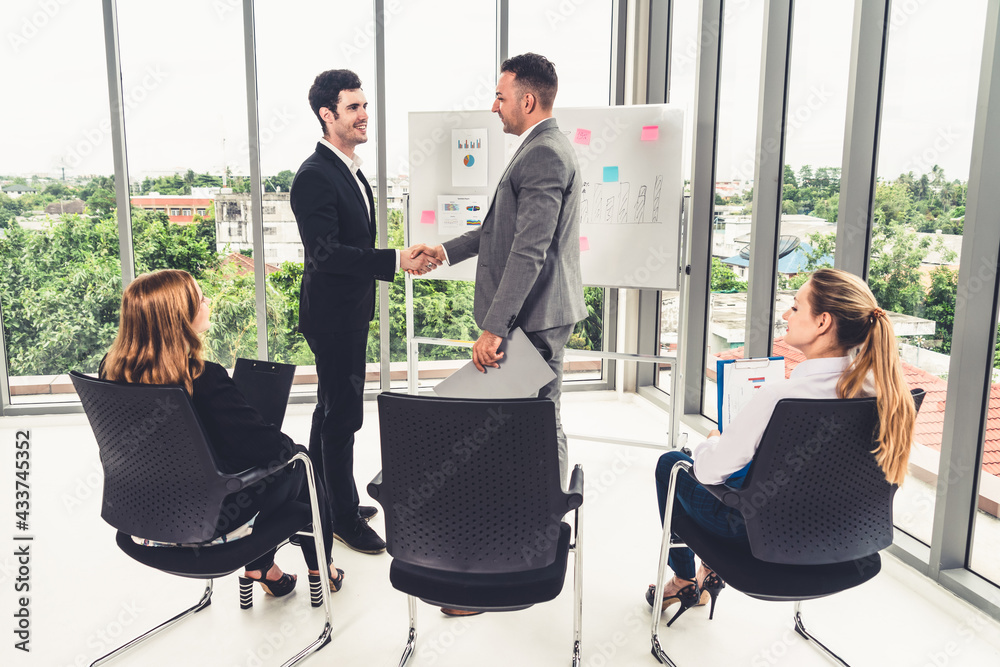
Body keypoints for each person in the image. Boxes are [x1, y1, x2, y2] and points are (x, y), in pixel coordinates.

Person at [649, 268, 917, 624]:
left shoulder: (781, 397)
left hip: (760, 535)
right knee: (749, 468)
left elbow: (709, 472)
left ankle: (684, 580)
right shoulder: (890, 395)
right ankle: (708, 574)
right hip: (840, 534)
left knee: (674, 462)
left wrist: (712, 443)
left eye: (795, 306)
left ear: (822, 322)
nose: (785, 315)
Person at [101, 269, 344, 602]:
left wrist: (232, 418)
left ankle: (265, 570)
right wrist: (252, 424)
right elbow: (273, 450)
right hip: (206, 525)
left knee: (285, 466)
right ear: (180, 318)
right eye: (200, 298)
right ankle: (322, 566)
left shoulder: (111, 372)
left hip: (142, 519)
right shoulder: (203, 378)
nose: (208, 301)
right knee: (301, 462)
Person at [413, 53, 586, 481]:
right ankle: (529, 511)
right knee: (528, 418)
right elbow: (500, 232)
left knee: (542, 418)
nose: (494, 106)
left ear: (527, 101)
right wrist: (443, 251)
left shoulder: (544, 153)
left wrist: (495, 329)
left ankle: (547, 519)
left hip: (535, 316)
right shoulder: (539, 147)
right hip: (534, 313)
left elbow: (530, 250)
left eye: (499, 96)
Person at [291, 69, 436, 554]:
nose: (363, 115)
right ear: (326, 115)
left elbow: (351, 246)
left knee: (330, 410)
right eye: (352, 108)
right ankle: (341, 518)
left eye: (364, 105)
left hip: (347, 313)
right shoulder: (314, 176)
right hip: (333, 318)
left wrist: (394, 257)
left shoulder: (346, 170)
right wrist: (395, 260)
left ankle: (321, 500)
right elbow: (325, 254)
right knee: (344, 418)